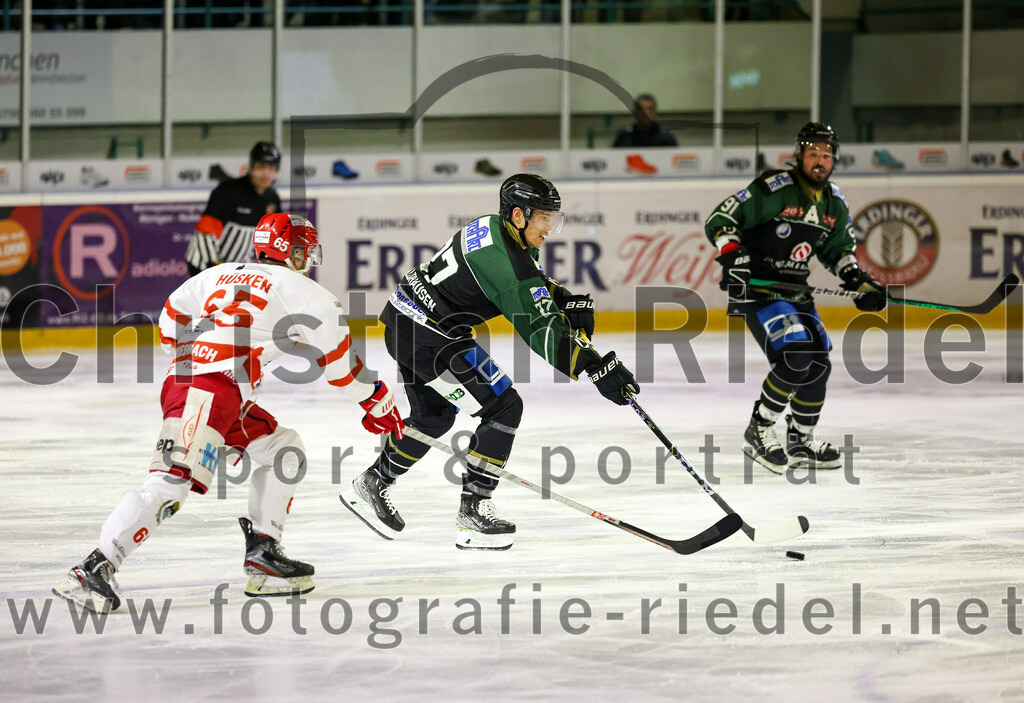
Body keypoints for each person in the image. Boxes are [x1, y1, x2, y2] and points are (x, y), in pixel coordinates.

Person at [54, 213, 404, 612]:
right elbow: (341, 364)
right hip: (209, 393)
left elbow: (169, 319)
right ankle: (93, 568)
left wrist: (196, 359)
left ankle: (264, 552)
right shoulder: (303, 290)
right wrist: (375, 399)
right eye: (304, 251)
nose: (307, 259)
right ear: (291, 252)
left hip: (205, 386)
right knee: (169, 487)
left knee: (284, 450)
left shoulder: (217, 274)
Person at [341, 174, 640, 551]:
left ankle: (374, 483)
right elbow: (540, 329)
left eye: (554, 219)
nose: (549, 228)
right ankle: (474, 509)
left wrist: (563, 297)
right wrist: (596, 366)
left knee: (433, 418)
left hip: (408, 322)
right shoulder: (506, 261)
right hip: (430, 337)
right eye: (543, 219)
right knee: (503, 405)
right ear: (518, 215)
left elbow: (528, 278)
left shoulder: (492, 225)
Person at [704, 122, 886, 474]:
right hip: (758, 291)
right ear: (800, 155)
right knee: (797, 356)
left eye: (827, 155)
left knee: (819, 362)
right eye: (813, 153)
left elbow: (839, 251)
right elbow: (722, 218)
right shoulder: (776, 189)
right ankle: (759, 429)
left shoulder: (834, 201)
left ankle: (801, 438)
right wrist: (732, 254)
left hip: (796, 293)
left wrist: (858, 281)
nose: (820, 160)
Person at [185, 141, 283, 276]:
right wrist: (217, 269)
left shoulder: (272, 200)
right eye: (261, 166)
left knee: (242, 296)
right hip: (205, 264)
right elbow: (205, 233)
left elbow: (276, 240)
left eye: (271, 168)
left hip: (237, 268)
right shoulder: (227, 192)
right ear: (251, 166)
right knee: (215, 297)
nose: (266, 173)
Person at [613, 93, 678, 148]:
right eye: (641, 109)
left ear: (655, 112)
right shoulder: (624, 137)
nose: (646, 113)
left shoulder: (666, 138)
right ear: (635, 112)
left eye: (650, 109)